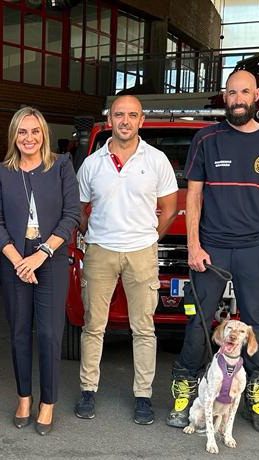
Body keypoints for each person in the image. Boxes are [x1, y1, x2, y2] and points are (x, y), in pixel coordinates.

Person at [167, 70, 259, 434]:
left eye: (245, 92)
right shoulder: (207, 139)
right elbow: (193, 195)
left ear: (256, 96)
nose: (238, 99)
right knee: (199, 319)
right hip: (212, 246)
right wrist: (193, 244)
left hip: (254, 247)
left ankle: (257, 395)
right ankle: (185, 389)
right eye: (232, 92)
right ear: (225, 97)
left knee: (256, 322)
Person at [74, 95, 179, 425]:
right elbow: (78, 207)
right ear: (110, 120)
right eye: (119, 115)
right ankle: (88, 390)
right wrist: (90, 231)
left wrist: (150, 238)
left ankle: (143, 396)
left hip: (141, 252)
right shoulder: (92, 163)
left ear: (141, 120)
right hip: (100, 251)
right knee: (94, 325)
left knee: (144, 327)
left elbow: (171, 206)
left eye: (132, 115)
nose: (125, 121)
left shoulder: (157, 160)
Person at [0, 106, 81, 435]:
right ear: (14, 135)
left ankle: (48, 403)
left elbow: (72, 215)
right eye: (22, 132)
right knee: (19, 334)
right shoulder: (2, 172)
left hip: (50, 260)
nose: (29, 138)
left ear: (44, 134)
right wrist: (16, 259)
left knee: (50, 334)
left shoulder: (62, 167)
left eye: (35, 131)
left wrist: (41, 254)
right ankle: (24, 397)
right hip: (15, 261)